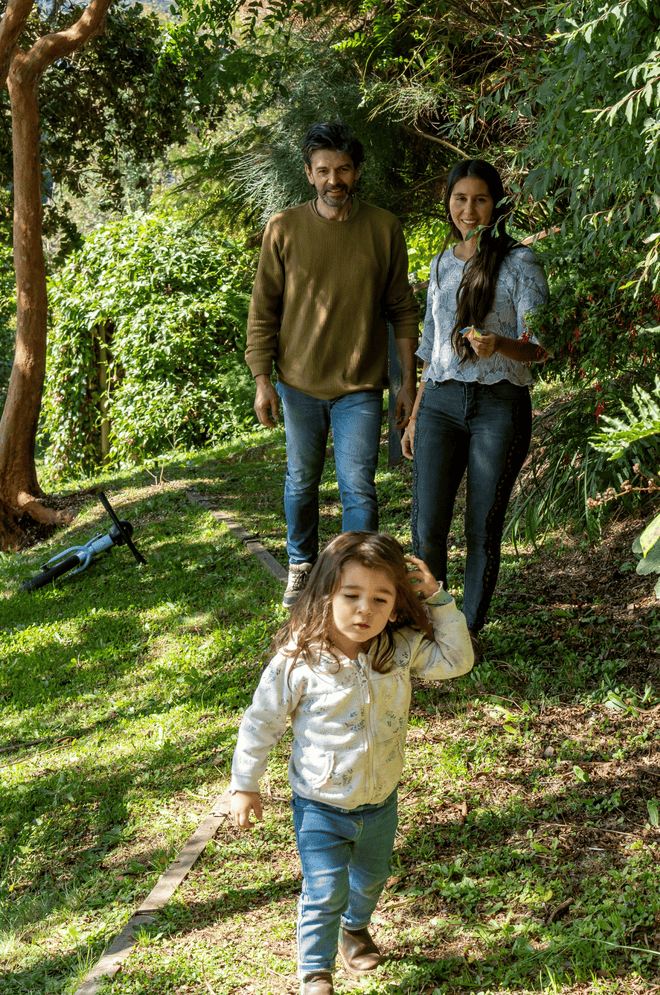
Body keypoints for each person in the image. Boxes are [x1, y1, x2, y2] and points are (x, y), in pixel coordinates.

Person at [228, 532, 474, 995]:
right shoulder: (298, 660)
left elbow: (457, 661)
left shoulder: (398, 649)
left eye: (381, 599)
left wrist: (438, 600)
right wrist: (245, 784)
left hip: (380, 801)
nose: (365, 610)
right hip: (320, 804)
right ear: (324, 593)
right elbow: (261, 722)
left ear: (396, 603)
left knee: (371, 878)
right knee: (324, 892)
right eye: (352, 595)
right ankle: (315, 974)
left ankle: (355, 928)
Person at [246, 122, 421, 608]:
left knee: (358, 489)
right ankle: (301, 565)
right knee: (301, 481)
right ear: (308, 174)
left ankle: (356, 578)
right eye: (323, 170)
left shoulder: (383, 228)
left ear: (356, 172)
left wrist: (407, 382)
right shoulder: (283, 227)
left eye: (343, 169)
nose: (334, 179)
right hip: (298, 384)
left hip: (360, 386)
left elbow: (402, 308)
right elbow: (263, 311)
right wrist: (264, 382)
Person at [402, 160, 549, 637]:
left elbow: (541, 345)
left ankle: (467, 634)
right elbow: (431, 347)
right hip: (440, 405)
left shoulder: (520, 262)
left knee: (481, 529)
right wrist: (414, 416)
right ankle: (430, 630)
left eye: (480, 199)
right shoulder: (442, 264)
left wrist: (499, 344)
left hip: (499, 406)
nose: (469, 209)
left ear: (497, 204)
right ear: (448, 203)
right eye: (460, 199)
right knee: (426, 527)